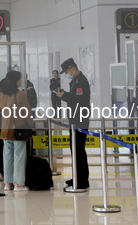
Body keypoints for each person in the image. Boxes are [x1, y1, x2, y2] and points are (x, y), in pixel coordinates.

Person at [0, 70, 33, 192]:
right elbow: (27, 113)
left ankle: (8, 183)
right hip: (18, 131)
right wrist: (31, 124)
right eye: (19, 79)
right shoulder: (21, 95)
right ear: (15, 81)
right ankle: (18, 184)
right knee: (19, 156)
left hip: (5, 130)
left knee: (7, 157)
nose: (20, 81)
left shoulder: (0, 95)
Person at [56, 58, 90, 189]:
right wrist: (64, 94)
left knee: (79, 150)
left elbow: (78, 100)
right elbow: (74, 96)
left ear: (72, 68)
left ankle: (82, 180)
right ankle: (77, 177)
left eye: (67, 71)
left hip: (80, 120)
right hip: (74, 119)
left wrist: (63, 96)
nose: (67, 74)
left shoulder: (81, 81)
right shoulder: (75, 81)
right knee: (74, 149)